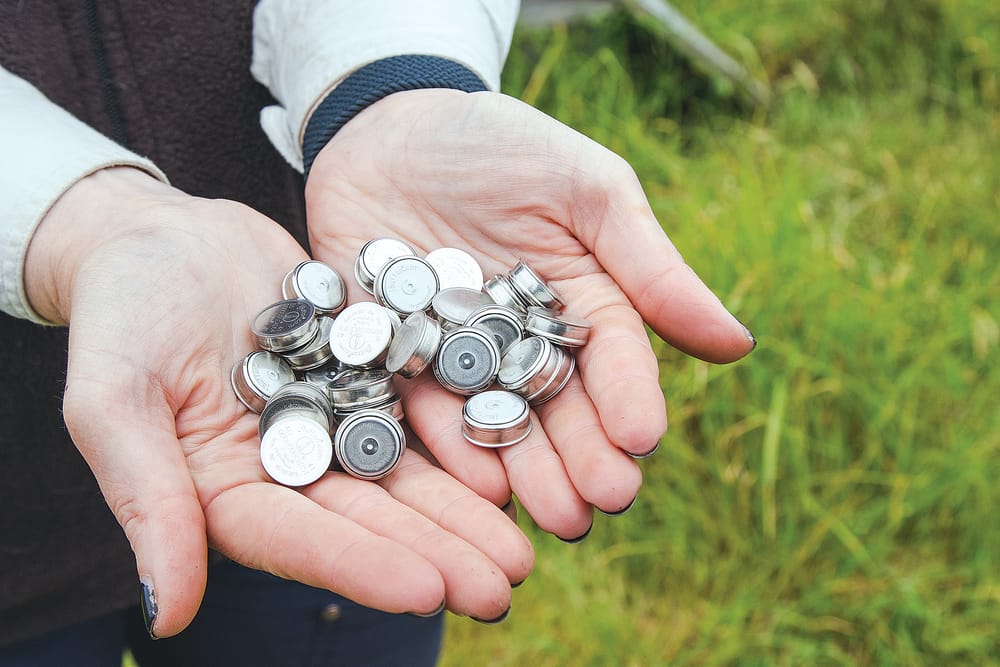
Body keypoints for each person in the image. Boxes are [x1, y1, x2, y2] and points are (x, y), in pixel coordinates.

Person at [0, 1, 755, 664]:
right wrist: (77, 220)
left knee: (353, 605)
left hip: (293, 466)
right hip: (17, 536)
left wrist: (390, 80)